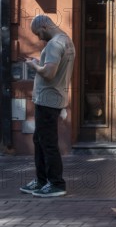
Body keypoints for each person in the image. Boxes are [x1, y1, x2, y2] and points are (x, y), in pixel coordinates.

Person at [20, 15, 75, 197]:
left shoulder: (54, 44)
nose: (39, 38)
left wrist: (33, 65)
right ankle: (42, 180)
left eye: (38, 33)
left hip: (47, 100)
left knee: (47, 142)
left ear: (44, 26)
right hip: (54, 98)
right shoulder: (67, 40)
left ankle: (56, 184)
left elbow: (49, 73)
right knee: (41, 140)